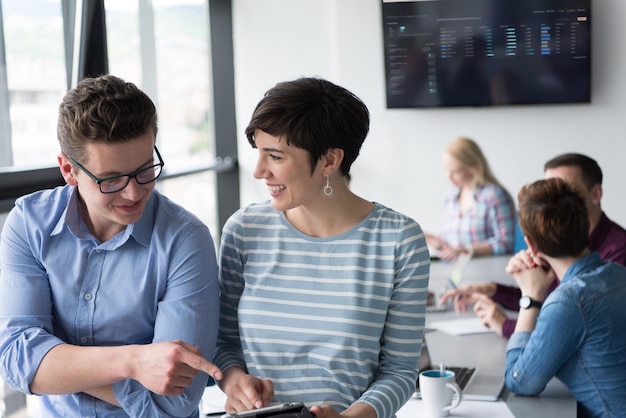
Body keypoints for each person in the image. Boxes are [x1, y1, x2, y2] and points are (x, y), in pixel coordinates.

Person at [0, 74, 222, 417]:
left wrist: (57, 362)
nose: (134, 193)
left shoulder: (186, 240)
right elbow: (15, 360)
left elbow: (175, 401)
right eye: (112, 179)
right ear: (69, 171)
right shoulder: (29, 225)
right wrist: (134, 362)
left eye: (145, 169)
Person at [213, 77, 430, 418]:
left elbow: (400, 371)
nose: (259, 171)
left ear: (330, 161)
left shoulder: (399, 240)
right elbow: (223, 344)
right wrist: (235, 380)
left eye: (275, 156)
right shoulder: (244, 230)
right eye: (259, 153)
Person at [441, 153, 626, 337]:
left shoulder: (619, 251)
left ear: (596, 194)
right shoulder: (561, 241)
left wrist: (505, 324)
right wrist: (494, 291)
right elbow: (546, 298)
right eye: (549, 190)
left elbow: (569, 328)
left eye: (566, 191)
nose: (554, 201)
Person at [503, 177, 626, 417]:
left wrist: (531, 298)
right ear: (585, 225)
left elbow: (519, 381)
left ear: (531, 245)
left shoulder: (569, 302)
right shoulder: (619, 273)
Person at [425, 137, 516, 260]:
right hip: (455, 272)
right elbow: (455, 243)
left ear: (475, 167)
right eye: (446, 169)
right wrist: (438, 243)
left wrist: (468, 250)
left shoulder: (494, 196)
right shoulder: (451, 196)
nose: (448, 176)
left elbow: (506, 243)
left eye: (456, 171)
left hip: (486, 273)